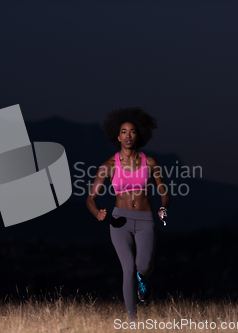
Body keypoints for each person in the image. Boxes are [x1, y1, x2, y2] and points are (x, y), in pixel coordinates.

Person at [86, 107, 170, 322]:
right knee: (128, 268)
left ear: (138, 135)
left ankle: (145, 279)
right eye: (123, 131)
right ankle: (132, 320)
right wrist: (97, 213)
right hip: (118, 221)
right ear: (117, 136)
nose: (128, 135)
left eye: (132, 131)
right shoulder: (109, 166)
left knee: (143, 266)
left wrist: (163, 208)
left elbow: (164, 192)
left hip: (145, 220)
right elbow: (90, 198)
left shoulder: (150, 163)